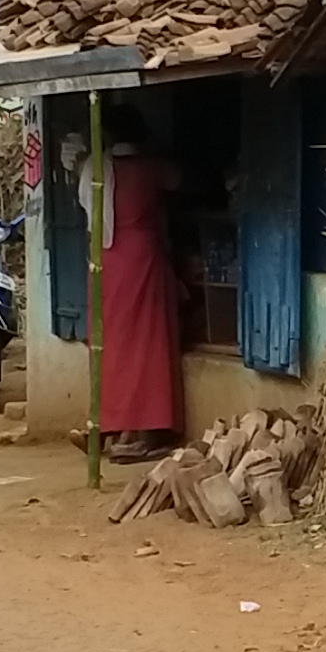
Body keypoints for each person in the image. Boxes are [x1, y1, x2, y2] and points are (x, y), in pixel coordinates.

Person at [88, 104, 186, 460]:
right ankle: (145, 427)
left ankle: (115, 427)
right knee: (147, 344)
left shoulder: (93, 169)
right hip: (141, 258)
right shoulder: (149, 168)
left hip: (105, 261)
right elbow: (178, 180)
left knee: (112, 344)